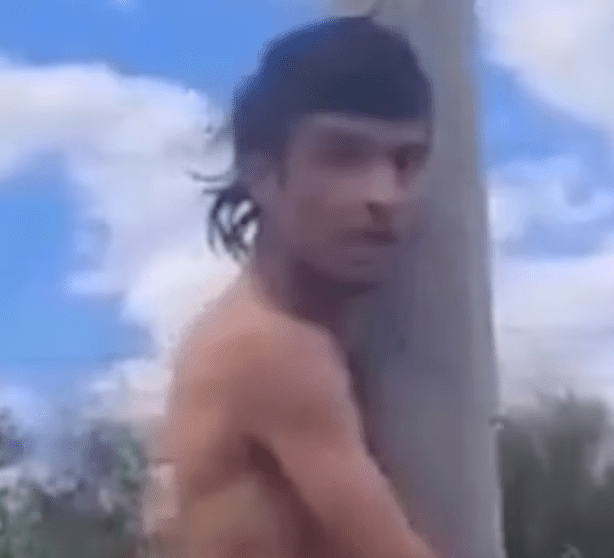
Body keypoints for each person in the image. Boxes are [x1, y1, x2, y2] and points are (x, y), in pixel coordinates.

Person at [162, 16, 439, 558]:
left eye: (406, 162)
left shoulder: (272, 335)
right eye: (344, 156)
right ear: (263, 176)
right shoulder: (274, 350)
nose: (384, 194)